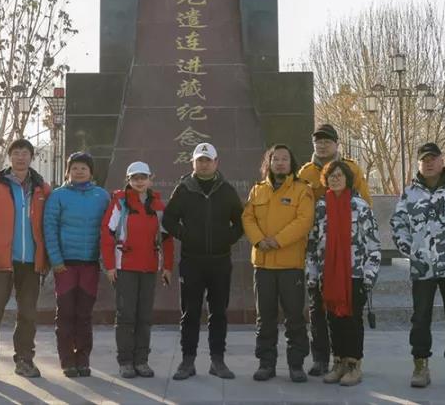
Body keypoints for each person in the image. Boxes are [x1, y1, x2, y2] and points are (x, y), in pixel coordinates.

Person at [390, 142, 445, 390]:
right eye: (424, 159)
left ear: (441, 161)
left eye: (433, 158)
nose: (428, 163)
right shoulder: (409, 194)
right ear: (419, 164)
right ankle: (420, 365)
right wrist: (410, 249)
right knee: (420, 318)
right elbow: (398, 224)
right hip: (422, 267)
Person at [162, 142, 244, 381]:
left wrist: (227, 238)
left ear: (216, 163)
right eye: (200, 160)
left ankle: (217, 361)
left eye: (208, 160)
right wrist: (186, 235)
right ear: (193, 163)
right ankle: (188, 361)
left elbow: (240, 222)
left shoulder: (226, 190)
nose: (204, 164)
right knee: (190, 313)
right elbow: (168, 219)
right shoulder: (183, 189)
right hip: (192, 262)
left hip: (220, 262)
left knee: (218, 312)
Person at [295, 123, 372, 376]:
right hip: (321, 258)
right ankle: (322, 359)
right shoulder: (305, 173)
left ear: (337, 144)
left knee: (349, 314)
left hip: (349, 260)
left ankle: (351, 363)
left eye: (327, 140)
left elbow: (366, 213)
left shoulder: (353, 169)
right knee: (320, 312)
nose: (322, 144)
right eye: (318, 140)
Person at [0, 139, 52, 381]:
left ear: (31, 157)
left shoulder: (42, 189)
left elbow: (48, 226)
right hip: (0, 262)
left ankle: (24, 361)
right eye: (16, 153)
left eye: (25, 153)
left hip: (31, 263)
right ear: (10, 157)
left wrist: (46, 259)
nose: (20, 157)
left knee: (28, 313)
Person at [242, 144, 314, 383]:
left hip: (290, 265)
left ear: (291, 163)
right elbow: (248, 217)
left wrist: (277, 241)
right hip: (262, 265)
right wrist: (259, 240)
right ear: (269, 163)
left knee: (294, 317)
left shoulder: (302, 190)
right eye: (276, 159)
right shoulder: (257, 190)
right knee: (265, 318)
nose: (280, 163)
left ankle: (296, 364)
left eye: (284, 159)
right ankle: (266, 363)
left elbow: (304, 221)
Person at [305, 160, 381, 386]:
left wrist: (369, 275)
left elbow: (373, 243)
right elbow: (312, 243)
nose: (335, 178)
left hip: (354, 274)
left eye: (339, 175)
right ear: (325, 180)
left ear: (347, 178)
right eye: (331, 175)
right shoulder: (320, 207)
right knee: (332, 321)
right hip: (327, 274)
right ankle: (338, 363)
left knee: (352, 321)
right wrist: (312, 274)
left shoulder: (360, 206)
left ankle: (353, 365)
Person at [100, 161, 174, 378]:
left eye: (143, 177)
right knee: (126, 316)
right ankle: (125, 362)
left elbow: (167, 239)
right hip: (125, 268)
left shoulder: (158, 206)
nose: (139, 181)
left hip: (149, 267)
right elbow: (107, 233)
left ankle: (141, 361)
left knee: (144, 316)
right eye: (135, 178)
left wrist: (167, 266)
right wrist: (110, 266)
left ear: (151, 178)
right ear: (128, 180)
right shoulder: (120, 203)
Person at [43, 151, 110, 377]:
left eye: (84, 168)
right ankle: (67, 360)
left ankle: (83, 358)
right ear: (67, 171)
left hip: (90, 264)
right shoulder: (58, 196)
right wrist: (56, 260)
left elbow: (110, 231)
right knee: (66, 314)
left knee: (84, 314)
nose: (79, 171)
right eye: (75, 168)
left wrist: (105, 260)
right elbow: (49, 228)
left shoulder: (102, 196)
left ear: (91, 172)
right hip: (65, 265)